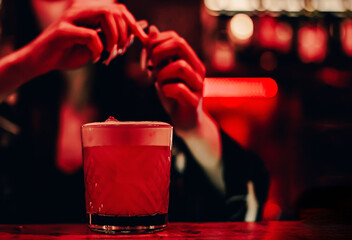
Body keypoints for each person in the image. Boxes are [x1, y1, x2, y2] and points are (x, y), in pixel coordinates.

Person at [0, 0, 268, 223]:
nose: (75, 4)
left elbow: (249, 209)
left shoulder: (147, 105)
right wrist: (28, 62)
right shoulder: (9, 107)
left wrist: (193, 126)